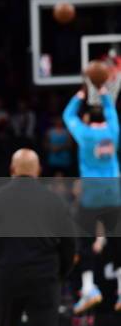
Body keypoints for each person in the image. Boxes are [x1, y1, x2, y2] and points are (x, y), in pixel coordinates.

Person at [0, 149, 76, 326]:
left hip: (6, 277)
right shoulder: (55, 201)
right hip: (44, 278)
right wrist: (60, 274)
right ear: (38, 170)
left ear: (12, 169)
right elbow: (69, 244)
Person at [63, 87, 121, 313]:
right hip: (114, 194)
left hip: (91, 196)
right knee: (118, 242)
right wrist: (104, 92)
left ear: (87, 119)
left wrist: (79, 95)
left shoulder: (85, 134)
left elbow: (68, 116)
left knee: (84, 241)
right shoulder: (113, 130)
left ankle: (89, 288)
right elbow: (111, 110)